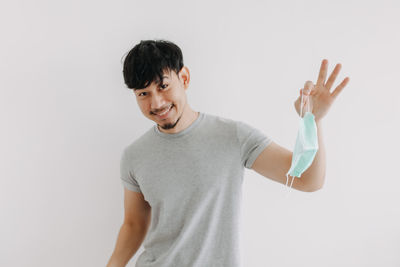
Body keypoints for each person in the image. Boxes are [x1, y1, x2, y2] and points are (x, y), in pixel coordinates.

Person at [106, 39, 349, 267]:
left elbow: (309, 181)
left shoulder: (233, 136)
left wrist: (312, 122)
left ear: (185, 78)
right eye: (143, 94)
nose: (157, 103)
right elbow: (134, 224)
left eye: (164, 86)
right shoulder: (134, 156)